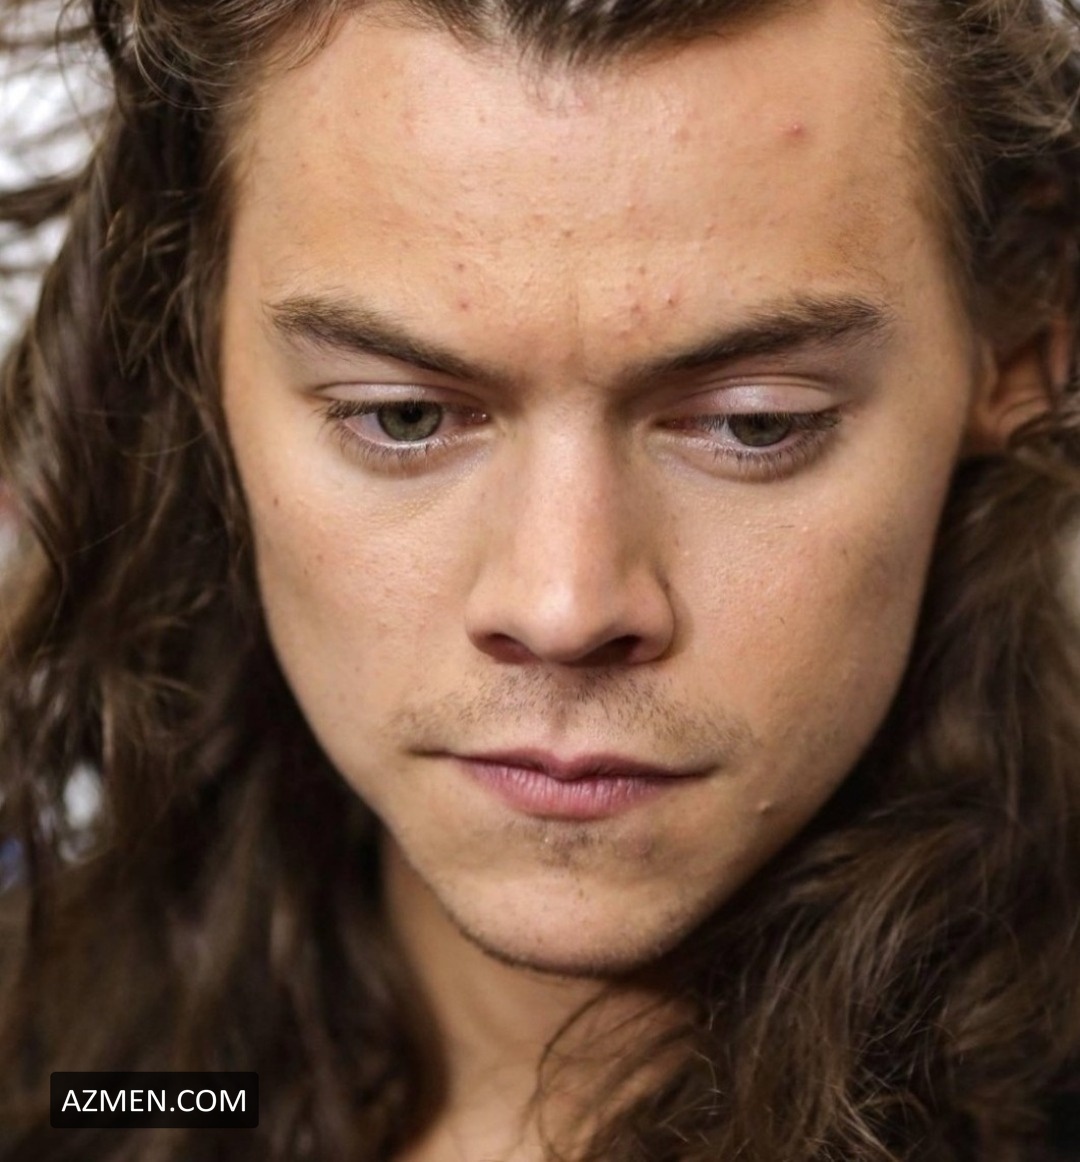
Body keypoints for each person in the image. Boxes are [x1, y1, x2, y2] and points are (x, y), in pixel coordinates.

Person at [1, 0, 1080, 1158]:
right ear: (194, 351)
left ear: (1022, 349)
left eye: (755, 423)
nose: (563, 607)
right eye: (401, 416)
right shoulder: (98, 1073)